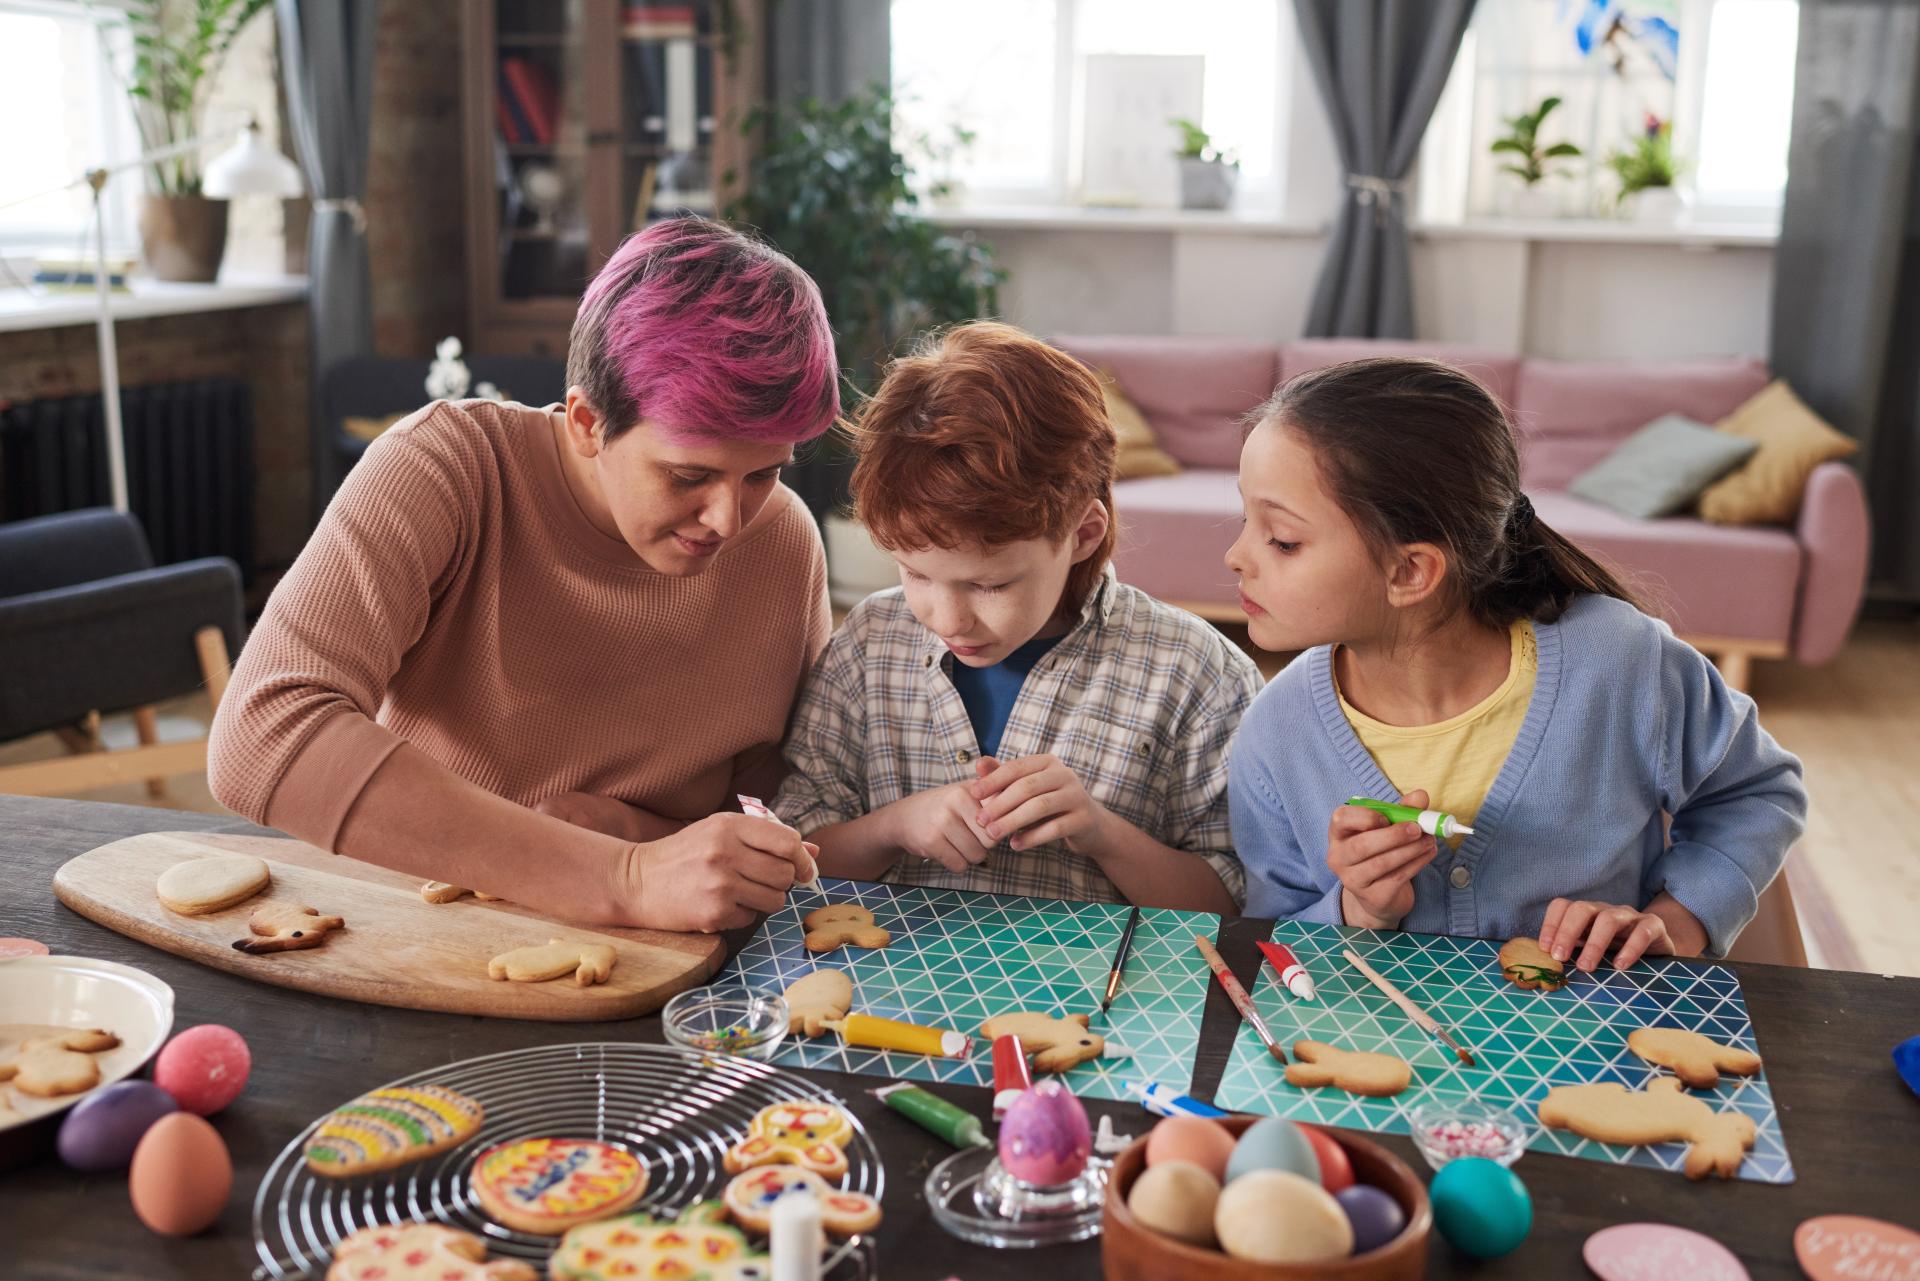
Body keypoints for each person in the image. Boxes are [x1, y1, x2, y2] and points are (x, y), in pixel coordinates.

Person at [209, 217, 834, 933]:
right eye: (689, 475)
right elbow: (262, 733)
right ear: (586, 422)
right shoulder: (446, 469)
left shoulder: (782, 539)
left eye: (763, 473)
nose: (729, 519)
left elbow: (777, 813)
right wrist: (617, 876)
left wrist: (630, 831)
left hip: (670, 961)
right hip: (420, 933)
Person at [1226, 356, 1805, 968]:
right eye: (1245, 520)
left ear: (1410, 572)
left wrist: (1676, 923)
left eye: (1281, 539)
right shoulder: (1274, 733)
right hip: (1385, 1046)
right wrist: (1359, 911)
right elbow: (1273, 935)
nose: (1236, 555)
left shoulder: (1621, 662)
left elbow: (1757, 791)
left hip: (1595, 1045)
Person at [773, 321, 1262, 913]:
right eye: (916, 573)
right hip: (883, 990)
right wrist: (892, 827)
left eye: (989, 584)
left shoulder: (1195, 673)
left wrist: (1103, 835)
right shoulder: (869, 645)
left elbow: (1234, 903)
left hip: (1102, 999)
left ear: (1082, 534)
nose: (948, 619)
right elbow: (796, 853)